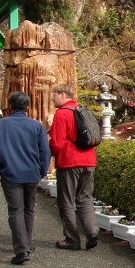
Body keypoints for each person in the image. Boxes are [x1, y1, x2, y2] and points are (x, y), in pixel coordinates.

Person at [0, 89, 50, 265]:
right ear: (27, 107)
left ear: (10, 106)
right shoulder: (36, 126)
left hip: (10, 174)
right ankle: (27, 243)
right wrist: (42, 171)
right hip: (31, 174)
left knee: (15, 210)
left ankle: (21, 249)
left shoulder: (0, 125)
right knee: (29, 209)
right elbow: (44, 151)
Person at [48, 82, 98, 250]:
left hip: (69, 162)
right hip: (89, 161)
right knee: (85, 198)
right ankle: (92, 231)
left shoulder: (62, 114)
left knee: (66, 201)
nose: (52, 98)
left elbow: (57, 143)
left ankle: (72, 239)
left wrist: (48, 152)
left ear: (63, 95)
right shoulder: (83, 111)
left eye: (54, 95)